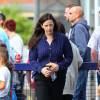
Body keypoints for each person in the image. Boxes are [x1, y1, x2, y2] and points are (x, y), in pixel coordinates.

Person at [28, 13, 73, 100]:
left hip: (58, 77)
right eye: (46, 25)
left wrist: (58, 66)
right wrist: (41, 69)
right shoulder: (36, 39)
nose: (49, 28)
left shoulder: (63, 38)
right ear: (41, 26)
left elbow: (69, 57)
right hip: (41, 77)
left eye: (51, 25)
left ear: (54, 24)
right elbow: (32, 60)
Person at [67, 6, 90, 100]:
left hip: (79, 66)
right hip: (81, 65)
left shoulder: (79, 27)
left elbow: (82, 49)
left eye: (70, 13)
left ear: (77, 15)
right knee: (80, 93)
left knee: (75, 94)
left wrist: (75, 63)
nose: (68, 15)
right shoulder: (78, 27)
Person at [4, 19, 24, 100]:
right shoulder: (9, 39)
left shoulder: (17, 39)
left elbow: (18, 56)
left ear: (6, 28)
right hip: (11, 71)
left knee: (15, 94)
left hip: (16, 72)